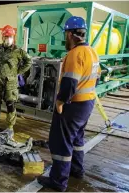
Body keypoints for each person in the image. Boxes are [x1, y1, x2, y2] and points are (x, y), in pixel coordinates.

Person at [37, 16, 101, 191]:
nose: (65, 37)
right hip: (87, 104)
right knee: (77, 139)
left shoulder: (75, 54)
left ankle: (58, 181)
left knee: (61, 142)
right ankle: (77, 170)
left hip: (73, 106)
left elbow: (69, 83)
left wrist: (60, 101)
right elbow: (97, 78)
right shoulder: (92, 52)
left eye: (66, 33)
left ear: (72, 34)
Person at [0, 25, 32, 139]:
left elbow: (28, 62)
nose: (8, 39)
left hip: (10, 84)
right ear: (3, 37)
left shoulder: (18, 51)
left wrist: (18, 72)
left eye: (10, 36)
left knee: (10, 105)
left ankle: (10, 127)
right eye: (6, 36)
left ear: (13, 37)